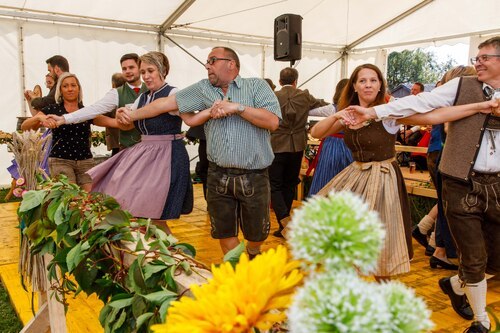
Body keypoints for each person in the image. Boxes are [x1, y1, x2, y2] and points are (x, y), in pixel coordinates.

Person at [341, 36, 500, 333]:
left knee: (496, 261)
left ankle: (455, 283)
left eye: (484, 57)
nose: (476, 62)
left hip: (498, 185)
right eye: (476, 58)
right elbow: (424, 104)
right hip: (460, 181)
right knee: (474, 255)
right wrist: (375, 111)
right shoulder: (462, 85)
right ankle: (481, 321)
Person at [310, 64, 495, 282]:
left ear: (380, 86)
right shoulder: (349, 114)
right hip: (355, 176)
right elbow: (316, 132)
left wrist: (479, 106)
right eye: (362, 81)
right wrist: (337, 116)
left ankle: (383, 291)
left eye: (373, 80)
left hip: (382, 178)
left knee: (382, 241)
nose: (368, 84)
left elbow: (434, 117)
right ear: (354, 86)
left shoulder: (389, 112)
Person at [116, 46, 281, 258]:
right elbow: (164, 104)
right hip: (217, 174)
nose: (207, 66)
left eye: (212, 60)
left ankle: (253, 249)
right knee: (224, 231)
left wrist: (238, 108)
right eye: (207, 62)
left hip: (255, 175)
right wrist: (132, 115)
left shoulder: (256, 86)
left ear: (231, 63)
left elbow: (273, 122)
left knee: (257, 232)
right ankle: (237, 271)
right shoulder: (203, 89)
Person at [87, 51, 209, 233]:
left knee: (157, 217)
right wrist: (120, 113)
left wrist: (212, 111)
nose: (146, 76)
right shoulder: (143, 97)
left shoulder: (173, 93)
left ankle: (170, 256)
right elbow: (127, 121)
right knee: (138, 211)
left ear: (163, 70)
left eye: (150, 71)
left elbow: (190, 119)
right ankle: (160, 255)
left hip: (167, 156)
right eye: (143, 72)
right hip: (146, 154)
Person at [270, 67, 328, 237]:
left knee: (274, 184)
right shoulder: (304, 95)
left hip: (276, 145)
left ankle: (284, 220)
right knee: (289, 183)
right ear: (296, 81)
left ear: (280, 82)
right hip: (297, 146)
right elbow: (323, 105)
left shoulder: (273, 96)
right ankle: (284, 226)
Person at [47, 53, 147, 150]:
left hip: (153, 148)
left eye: (131, 67)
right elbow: (93, 110)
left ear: (140, 68)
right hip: (128, 149)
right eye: (124, 69)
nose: (127, 71)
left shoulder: (152, 89)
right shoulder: (116, 93)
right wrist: (65, 118)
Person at [21, 73, 96, 192]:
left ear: (79, 88)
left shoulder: (86, 111)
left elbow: (113, 122)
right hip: (61, 161)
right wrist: (39, 118)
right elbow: (24, 127)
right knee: (70, 199)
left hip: (85, 161)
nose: (70, 89)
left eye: (73, 85)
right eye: (65, 86)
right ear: (60, 90)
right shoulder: (52, 109)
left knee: (90, 200)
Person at [308, 78, 353, 196]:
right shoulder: (357, 109)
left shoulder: (332, 108)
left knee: (326, 176)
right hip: (350, 146)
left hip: (331, 146)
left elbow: (310, 112)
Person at [105, 73, 126, 156]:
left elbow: (104, 113)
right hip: (127, 138)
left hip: (115, 138)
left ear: (113, 84)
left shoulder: (112, 97)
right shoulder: (127, 96)